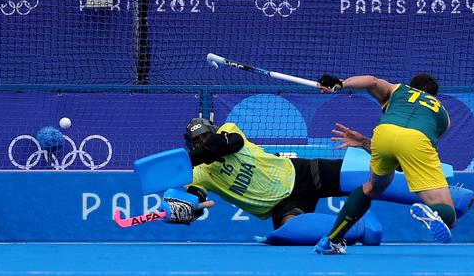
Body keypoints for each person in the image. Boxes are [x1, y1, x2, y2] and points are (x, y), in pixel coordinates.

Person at [314, 73, 455, 255]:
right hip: (418, 139)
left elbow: (371, 81)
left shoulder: (398, 89)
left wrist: (341, 83)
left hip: (384, 133)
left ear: (410, 85)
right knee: (448, 213)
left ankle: (331, 240)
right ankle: (434, 214)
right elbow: (409, 156)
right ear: (434, 96)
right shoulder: (443, 115)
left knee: (371, 187)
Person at [183, 117, 345, 229]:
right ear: (191, 146)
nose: (202, 142)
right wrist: (186, 208)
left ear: (213, 132)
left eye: (205, 136)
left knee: (360, 178)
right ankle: (355, 227)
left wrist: (189, 159)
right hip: (283, 206)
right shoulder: (197, 174)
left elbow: (225, 145)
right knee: (294, 232)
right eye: (196, 141)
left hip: (302, 172)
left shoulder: (228, 131)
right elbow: (196, 202)